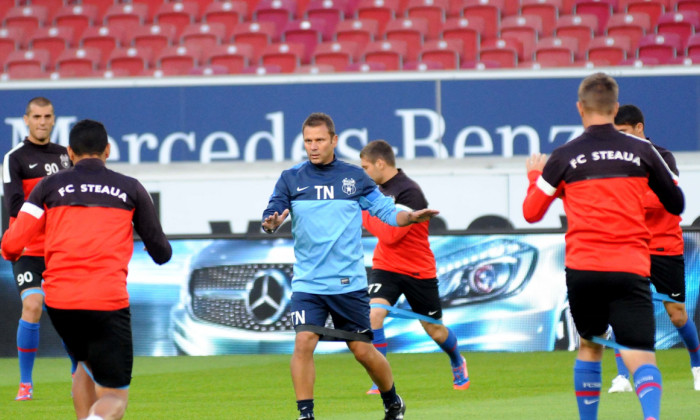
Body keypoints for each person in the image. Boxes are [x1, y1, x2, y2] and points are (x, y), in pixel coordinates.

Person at [522, 73, 684, 420]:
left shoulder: (564, 156)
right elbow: (675, 202)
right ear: (615, 108)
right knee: (640, 354)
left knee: (591, 345)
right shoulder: (643, 151)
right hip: (630, 265)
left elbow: (532, 212)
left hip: (584, 269)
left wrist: (535, 178)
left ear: (580, 108)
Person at [262, 113, 438, 420]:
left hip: (348, 283)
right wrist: (272, 222)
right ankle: (306, 415)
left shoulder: (354, 178)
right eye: (308, 141)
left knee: (362, 351)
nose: (313, 147)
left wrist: (409, 217)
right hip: (308, 283)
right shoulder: (291, 178)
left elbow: (386, 211)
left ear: (334, 140)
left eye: (319, 140)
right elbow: (273, 212)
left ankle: (393, 400)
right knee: (303, 341)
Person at [1, 119, 172, 420]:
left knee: (82, 363)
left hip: (60, 301)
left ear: (69, 152)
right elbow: (162, 251)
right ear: (108, 150)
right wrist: (151, 248)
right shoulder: (131, 188)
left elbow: (11, 245)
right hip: (107, 299)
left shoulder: (47, 186)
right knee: (115, 397)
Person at [359, 139, 469, 394]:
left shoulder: (410, 191)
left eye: (365, 167)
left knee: (435, 330)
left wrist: (363, 212)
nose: (363, 172)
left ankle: (457, 360)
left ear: (380, 163)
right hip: (386, 266)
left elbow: (391, 235)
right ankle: (380, 379)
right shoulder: (375, 190)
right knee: (374, 314)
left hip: (418, 270)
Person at [606, 104, 700, 393]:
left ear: (639, 128)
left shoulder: (662, 156)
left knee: (677, 314)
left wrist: (627, 199)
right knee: (621, 310)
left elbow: (664, 198)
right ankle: (622, 376)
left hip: (664, 245)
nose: (619, 137)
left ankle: (697, 366)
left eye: (623, 131)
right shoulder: (615, 160)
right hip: (630, 245)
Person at [2, 97, 73, 401]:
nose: (42, 122)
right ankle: (26, 384)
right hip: (29, 247)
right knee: (32, 305)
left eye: (47, 116)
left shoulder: (66, 157)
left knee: (72, 313)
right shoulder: (14, 158)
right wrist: (53, 209)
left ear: (54, 119)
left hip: (60, 249)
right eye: (37, 116)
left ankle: (77, 376)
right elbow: (15, 206)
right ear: (26, 120)